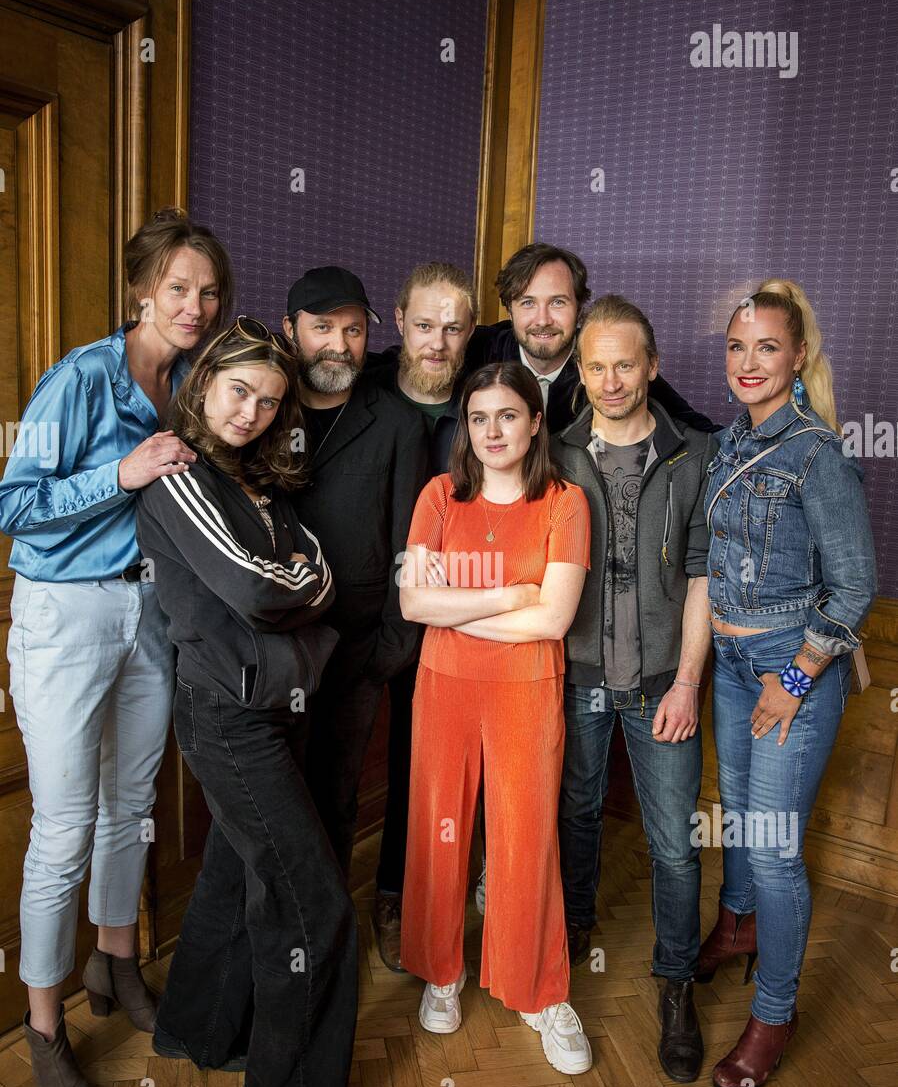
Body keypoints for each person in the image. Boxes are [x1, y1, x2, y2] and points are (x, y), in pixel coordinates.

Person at [0, 207, 232, 1087]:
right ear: (142, 290)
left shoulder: (192, 383)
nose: (195, 304)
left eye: (209, 290)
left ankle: (116, 962)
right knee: (63, 828)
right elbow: (14, 504)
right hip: (65, 615)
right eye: (178, 287)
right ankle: (44, 1026)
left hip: (149, 612)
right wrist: (122, 475)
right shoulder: (81, 378)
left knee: (131, 805)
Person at [136, 317, 363, 1087]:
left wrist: (297, 583)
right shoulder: (179, 474)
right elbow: (262, 588)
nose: (253, 412)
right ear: (204, 385)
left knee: (237, 878)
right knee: (313, 900)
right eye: (240, 392)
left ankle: (194, 1029)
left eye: (269, 401)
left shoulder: (256, 484)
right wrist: (298, 586)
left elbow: (319, 569)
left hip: (274, 705)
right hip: (228, 717)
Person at [701, 279, 876, 1087]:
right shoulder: (732, 441)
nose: (748, 362)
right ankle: (737, 930)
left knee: (773, 848)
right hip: (733, 667)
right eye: (737, 347)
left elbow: (854, 588)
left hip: (786, 668)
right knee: (738, 814)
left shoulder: (817, 453)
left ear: (798, 356)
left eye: (766, 347)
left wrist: (797, 677)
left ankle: (775, 1013)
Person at [399, 362, 593, 1075]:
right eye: (478, 418)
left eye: (508, 415)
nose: (492, 432)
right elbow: (415, 606)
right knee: (438, 826)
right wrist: (513, 596)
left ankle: (539, 990)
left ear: (536, 421)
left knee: (524, 837)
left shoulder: (566, 502)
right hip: (444, 687)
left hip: (527, 689)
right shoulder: (439, 497)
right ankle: (441, 971)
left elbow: (558, 618)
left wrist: (468, 605)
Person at [552, 295, 718, 1082]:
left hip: (661, 686)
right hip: (577, 679)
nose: (611, 379)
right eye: (596, 366)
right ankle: (572, 930)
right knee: (575, 816)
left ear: (651, 365)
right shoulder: (554, 454)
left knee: (674, 847)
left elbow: (700, 581)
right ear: (580, 374)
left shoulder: (693, 458)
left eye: (625, 363)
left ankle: (676, 983)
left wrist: (687, 683)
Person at [282, 267, 429, 885]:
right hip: (274, 645)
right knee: (279, 804)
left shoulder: (397, 423)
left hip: (357, 647)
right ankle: (280, 937)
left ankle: (327, 946)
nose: (339, 345)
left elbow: (411, 546)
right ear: (290, 331)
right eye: (322, 328)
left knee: (337, 797)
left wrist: (391, 649)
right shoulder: (262, 405)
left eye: (352, 330)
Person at [360, 262, 477, 968]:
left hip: (445, 612)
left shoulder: (483, 401)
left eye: (453, 327)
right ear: (399, 320)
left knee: (418, 762)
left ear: (470, 335)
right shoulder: (362, 388)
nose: (437, 341)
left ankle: (397, 894)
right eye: (425, 324)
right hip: (354, 603)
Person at [464, 242, 720, 435]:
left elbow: (693, 426)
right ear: (509, 309)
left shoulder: (603, 360)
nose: (542, 320)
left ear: (579, 308)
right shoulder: (480, 348)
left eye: (557, 302)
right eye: (528, 302)